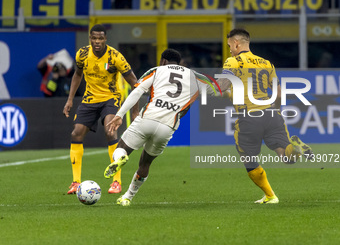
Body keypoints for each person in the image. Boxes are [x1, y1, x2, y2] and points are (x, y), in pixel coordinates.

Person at [103, 49, 215, 206]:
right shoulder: (194, 76)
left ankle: (121, 157)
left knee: (120, 148)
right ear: (179, 62)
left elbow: (137, 91)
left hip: (147, 119)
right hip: (167, 127)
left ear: (163, 61)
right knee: (145, 163)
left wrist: (119, 115)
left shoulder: (156, 70)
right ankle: (128, 197)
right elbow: (216, 89)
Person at [220, 28, 314, 204]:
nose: (230, 49)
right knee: (286, 156)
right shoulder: (266, 63)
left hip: (248, 117)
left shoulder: (232, 62)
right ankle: (297, 149)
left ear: (236, 43)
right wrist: (275, 111)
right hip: (272, 115)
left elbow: (222, 86)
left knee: (248, 158)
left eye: (230, 46)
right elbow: (278, 94)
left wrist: (211, 88)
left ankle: (271, 196)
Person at [63, 24, 139, 194]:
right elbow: (77, 74)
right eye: (94, 38)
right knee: (76, 133)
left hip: (110, 98)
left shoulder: (115, 57)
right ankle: (76, 182)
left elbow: (135, 83)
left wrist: (135, 111)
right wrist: (69, 100)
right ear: (90, 38)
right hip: (90, 99)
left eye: (100, 38)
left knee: (110, 131)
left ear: (105, 39)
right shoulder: (82, 54)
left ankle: (117, 182)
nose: (97, 42)